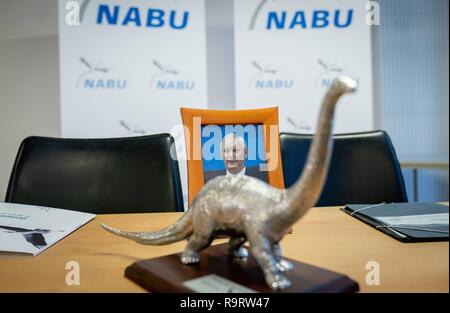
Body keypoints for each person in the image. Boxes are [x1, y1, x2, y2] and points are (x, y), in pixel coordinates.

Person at [203, 133, 268, 183]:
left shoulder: (263, 176)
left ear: (245, 153)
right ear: (221, 154)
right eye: (226, 151)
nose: (231, 155)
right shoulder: (208, 179)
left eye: (235, 150)